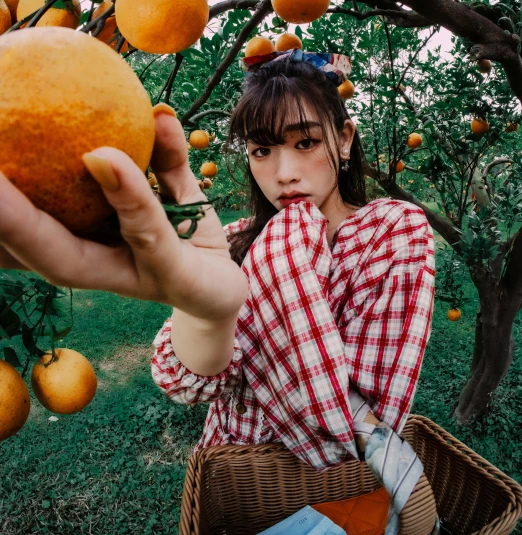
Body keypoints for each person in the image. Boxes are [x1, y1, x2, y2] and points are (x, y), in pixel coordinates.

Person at [0, 48, 437, 533]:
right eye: (261, 150)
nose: (284, 173)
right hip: (235, 475)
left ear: (344, 138)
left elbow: (369, 404)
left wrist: (260, 301)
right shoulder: (233, 241)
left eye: (306, 142)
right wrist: (208, 310)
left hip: (342, 491)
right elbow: (184, 381)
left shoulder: (390, 229)